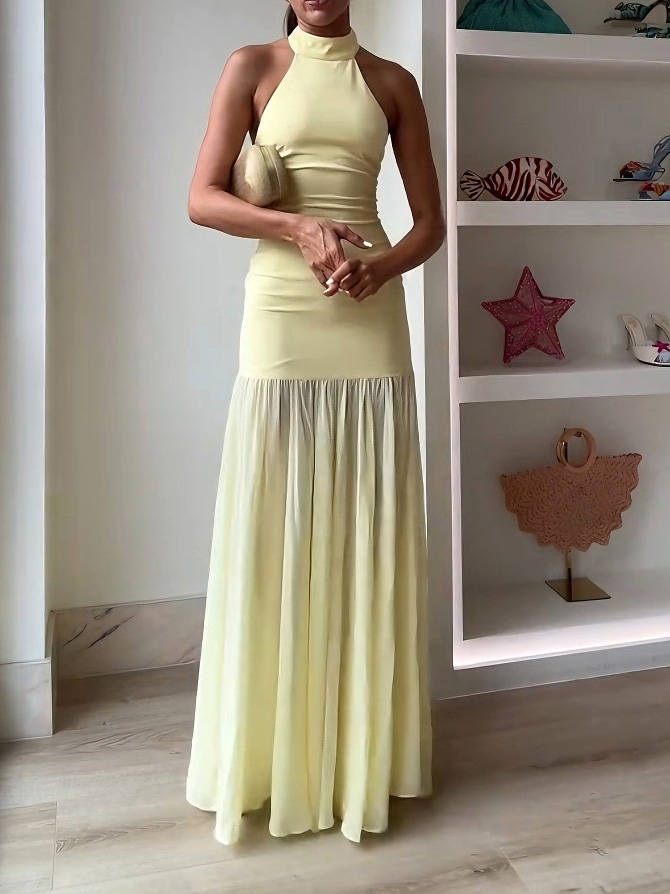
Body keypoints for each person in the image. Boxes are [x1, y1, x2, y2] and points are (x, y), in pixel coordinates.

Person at [185, 0, 445, 845]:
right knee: (274, 523)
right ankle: (270, 758)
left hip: (368, 314)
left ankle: (360, 760)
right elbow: (202, 199)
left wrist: (383, 266)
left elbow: (431, 225)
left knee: (365, 521)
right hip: (283, 310)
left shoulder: (392, 83)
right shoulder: (253, 66)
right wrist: (296, 226)